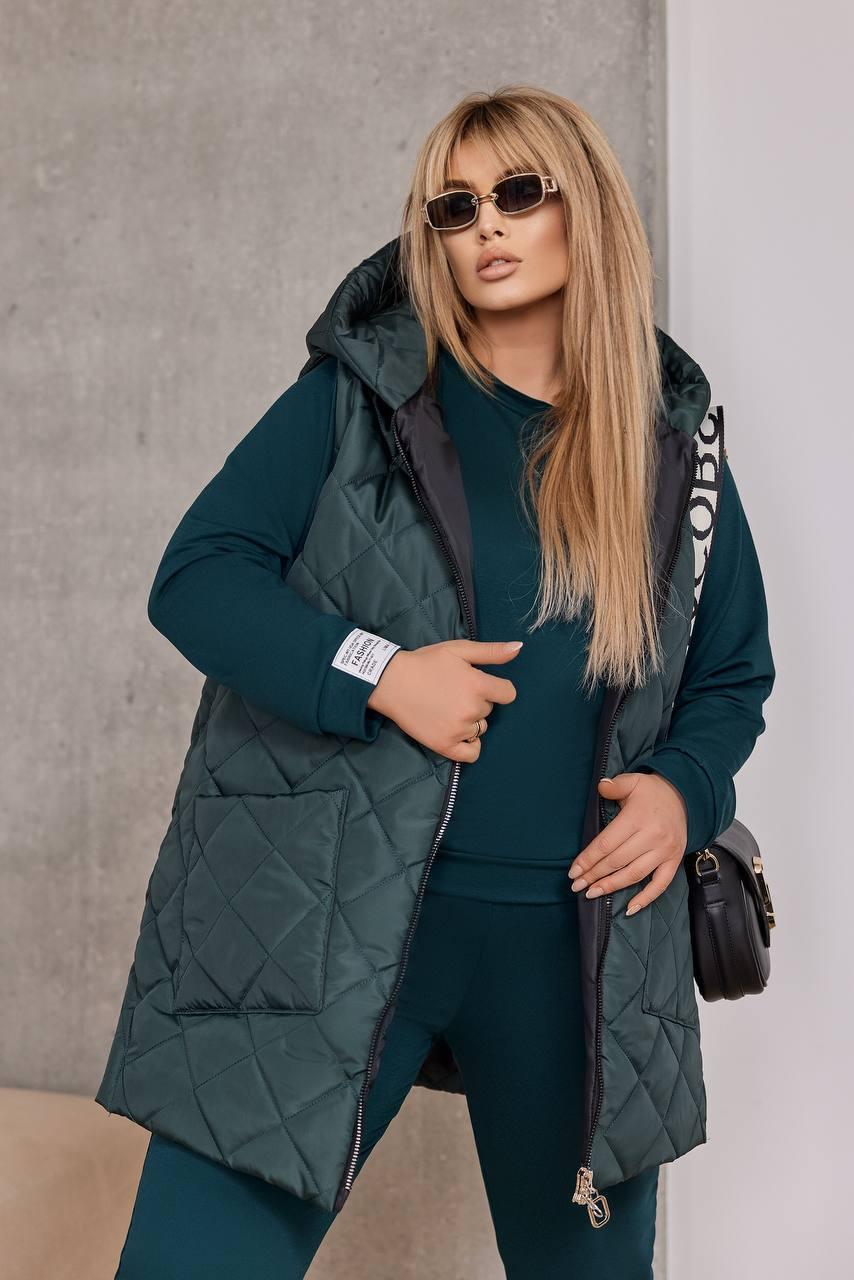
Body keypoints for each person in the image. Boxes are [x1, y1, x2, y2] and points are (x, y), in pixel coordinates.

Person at [101, 85, 775, 1279]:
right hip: (324, 924)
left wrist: (683, 790)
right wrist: (379, 673)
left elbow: (728, 673)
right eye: (452, 207)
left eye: (516, 192)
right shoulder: (360, 398)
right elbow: (197, 576)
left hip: (576, 954)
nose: (485, 226)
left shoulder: (672, 448)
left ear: (583, 209)